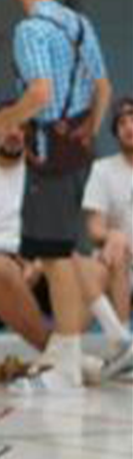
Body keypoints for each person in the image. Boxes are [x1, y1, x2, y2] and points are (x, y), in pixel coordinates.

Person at [0, 0, 113, 394]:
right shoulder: (80, 24)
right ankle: (74, 349)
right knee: (66, 250)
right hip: (80, 150)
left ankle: (66, 358)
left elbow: (40, 93)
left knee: (53, 253)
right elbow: (103, 88)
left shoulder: (30, 30)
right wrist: (87, 132)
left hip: (48, 153)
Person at [0, 120, 133, 377]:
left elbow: (53, 234)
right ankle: (59, 355)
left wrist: (38, 263)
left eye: (22, 128)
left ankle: (75, 350)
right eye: (7, 126)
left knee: (94, 270)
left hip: (32, 259)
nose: (14, 133)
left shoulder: (41, 174)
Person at [83, 97, 133, 339]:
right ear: (116, 133)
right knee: (117, 246)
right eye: (122, 123)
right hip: (118, 263)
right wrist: (113, 235)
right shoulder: (103, 170)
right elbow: (94, 229)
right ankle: (122, 340)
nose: (129, 127)